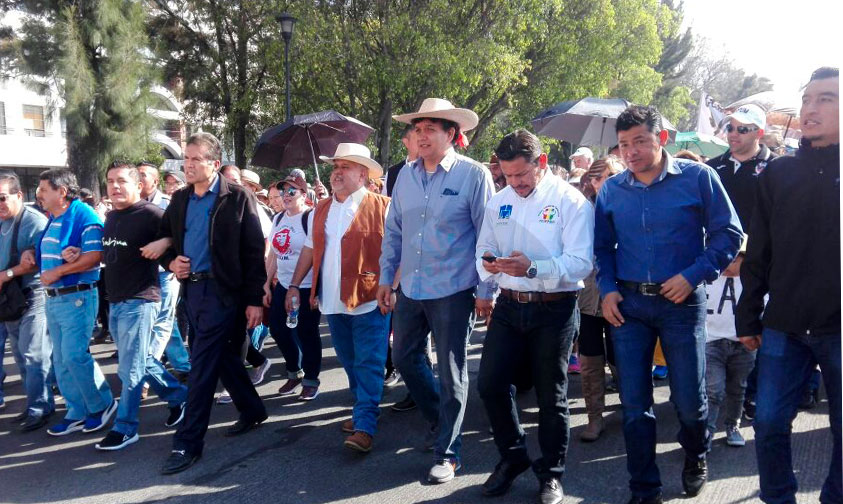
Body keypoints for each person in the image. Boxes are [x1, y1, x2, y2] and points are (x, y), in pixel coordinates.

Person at [594, 105, 743, 504]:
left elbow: (730, 234)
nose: (631, 151)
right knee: (634, 404)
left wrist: (693, 275)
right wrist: (607, 289)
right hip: (628, 306)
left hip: (682, 304)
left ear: (661, 139)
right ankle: (644, 487)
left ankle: (696, 455)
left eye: (640, 141)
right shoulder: (611, 189)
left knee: (690, 402)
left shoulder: (699, 178)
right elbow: (601, 249)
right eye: (624, 144)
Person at [736, 66, 840, 504]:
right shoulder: (778, 174)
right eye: (807, 99)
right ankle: (778, 498)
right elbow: (759, 250)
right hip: (783, 326)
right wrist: (748, 314)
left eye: (826, 98)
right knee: (769, 423)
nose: (811, 108)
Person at [379, 98, 495, 483]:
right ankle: (439, 419)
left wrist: (485, 289)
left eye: (431, 129)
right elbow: (394, 231)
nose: (421, 135)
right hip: (411, 287)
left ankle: (448, 452)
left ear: (452, 135)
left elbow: (487, 237)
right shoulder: (405, 176)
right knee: (404, 357)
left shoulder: (474, 176)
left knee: (451, 371)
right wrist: (385, 278)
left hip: (454, 290)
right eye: (417, 129)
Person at [475, 130, 594, 504]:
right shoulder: (499, 201)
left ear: (541, 163)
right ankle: (513, 458)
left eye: (521, 175)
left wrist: (532, 268)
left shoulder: (570, 200)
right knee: (490, 385)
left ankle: (552, 472)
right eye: (508, 176)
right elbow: (484, 247)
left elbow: (581, 263)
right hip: (509, 305)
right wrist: (490, 263)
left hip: (554, 308)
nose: (515, 183)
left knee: (551, 396)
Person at [157, 132, 267, 475]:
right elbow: (167, 240)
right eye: (186, 159)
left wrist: (254, 300)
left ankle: (188, 442)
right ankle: (251, 409)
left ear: (214, 164)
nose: (188, 165)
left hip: (224, 293)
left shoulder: (237, 197)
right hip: (192, 292)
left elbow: (253, 253)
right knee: (218, 358)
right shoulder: (180, 200)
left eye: (196, 159)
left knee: (202, 366)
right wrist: (171, 263)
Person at [285, 143, 391, 453]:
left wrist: (392, 287)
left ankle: (365, 424)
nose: (337, 172)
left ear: (363, 173)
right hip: (332, 301)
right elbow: (308, 248)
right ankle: (364, 408)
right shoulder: (321, 209)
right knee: (348, 360)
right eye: (335, 167)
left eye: (345, 166)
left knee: (369, 362)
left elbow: (397, 252)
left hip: (370, 299)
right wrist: (294, 285)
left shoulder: (383, 205)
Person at [83, 162, 188, 450]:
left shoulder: (151, 213)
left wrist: (164, 241)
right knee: (141, 360)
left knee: (129, 368)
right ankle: (180, 396)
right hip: (116, 301)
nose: (115, 186)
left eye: (121, 181)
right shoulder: (113, 216)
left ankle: (126, 427)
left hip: (141, 299)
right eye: (110, 181)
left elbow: (183, 234)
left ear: (138, 186)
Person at [34, 169, 118, 436]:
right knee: (61, 359)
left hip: (77, 297)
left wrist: (58, 271)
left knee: (73, 355)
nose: (39, 194)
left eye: (44, 189)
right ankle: (76, 411)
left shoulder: (84, 215)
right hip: (56, 299)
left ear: (61, 192)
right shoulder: (54, 217)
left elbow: (94, 256)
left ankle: (101, 405)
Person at [576, 156, 625, 442]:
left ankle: (632, 408)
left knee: (623, 356)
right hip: (587, 297)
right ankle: (595, 417)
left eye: (611, 175)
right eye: (599, 177)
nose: (604, 182)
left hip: (622, 293)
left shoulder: (628, 206)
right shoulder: (582, 210)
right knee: (590, 359)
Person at [0, 172, 53, 432]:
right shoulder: (2, 221)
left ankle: (40, 408)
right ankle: (35, 405)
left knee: (34, 355)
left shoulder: (34, 221)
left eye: (2, 198)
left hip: (33, 294)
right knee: (22, 356)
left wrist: (6, 274)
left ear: (19, 196)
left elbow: (34, 264)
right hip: (10, 298)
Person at [264, 174, 321, 400]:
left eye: (291, 192)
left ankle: (311, 379)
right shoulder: (278, 219)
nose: (285, 196)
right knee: (278, 329)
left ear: (303, 195)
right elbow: (273, 255)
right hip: (284, 284)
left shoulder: (311, 217)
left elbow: (318, 253)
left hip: (306, 286)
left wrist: (317, 289)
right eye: (283, 191)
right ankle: (294, 371)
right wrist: (266, 283)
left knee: (307, 333)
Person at [138, 162, 191, 385]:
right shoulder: (133, 205)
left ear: (154, 181)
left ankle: (148, 374)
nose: (138, 179)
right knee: (165, 324)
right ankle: (182, 363)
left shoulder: (169, 204)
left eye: (143, 175)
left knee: (161, 323)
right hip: (142, 275)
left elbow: (179, 237)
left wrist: (172, 263)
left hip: (165, 273)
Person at [704, 236, 755, 449]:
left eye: (733, 260)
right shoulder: (707, 275)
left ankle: (733, 425)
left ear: (745, 259)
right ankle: (706, 432)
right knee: (713, 389)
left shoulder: (754, 281)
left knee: (738, 388)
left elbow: (765, 306)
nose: (726, 264)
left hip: (742, 344)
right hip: (711, 342)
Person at [706, 103, 777, 230]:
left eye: (742, 129)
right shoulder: (711, 167)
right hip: (713, 247)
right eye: (730, 128)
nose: (733, 134)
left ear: (759, 133)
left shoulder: (777, 168)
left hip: (754, 248)